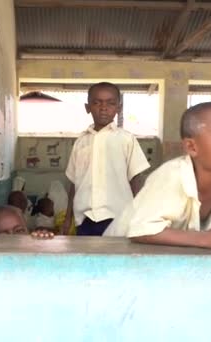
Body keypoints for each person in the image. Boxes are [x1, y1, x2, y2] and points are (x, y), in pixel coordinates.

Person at [104, 102, 211, 251]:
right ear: (192, 147)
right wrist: (206, 239)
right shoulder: (172, 176)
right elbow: (142, 230)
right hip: (112, 256)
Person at [62, 82, 150, 236]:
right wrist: (67, 219)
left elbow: (136, 180)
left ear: (119, 108)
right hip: (84, 219)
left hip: (119, 217)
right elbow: (74, 184)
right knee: (87, 258)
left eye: (111, 103)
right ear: (87, 107)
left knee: (118, 259)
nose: (104, 108)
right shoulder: (80, 142)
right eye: (97, 103)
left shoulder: (126, 139)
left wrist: (140, 216)